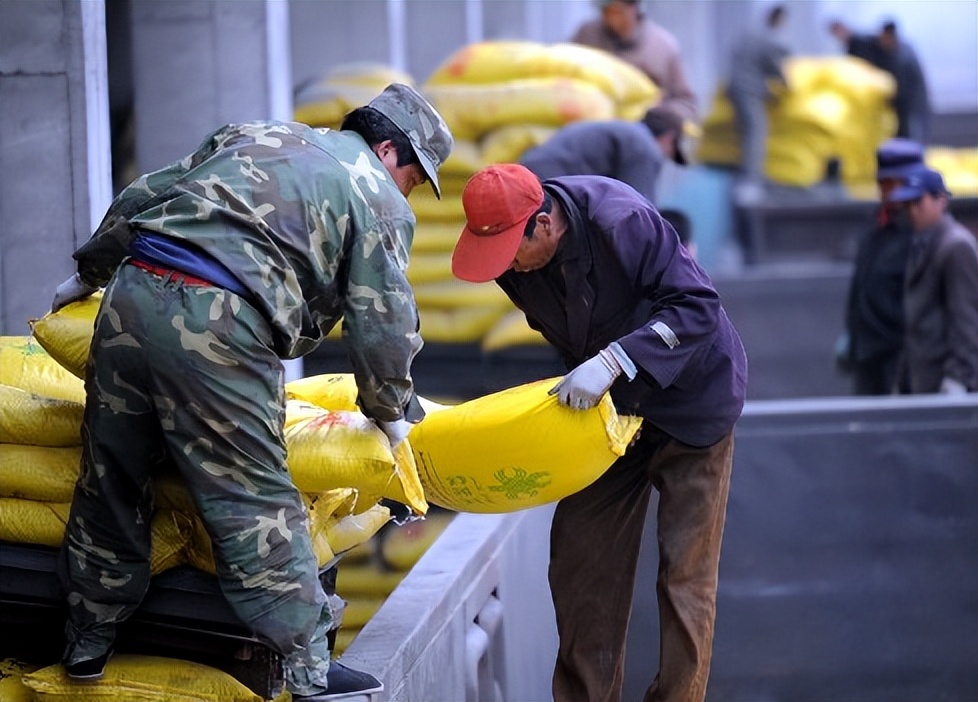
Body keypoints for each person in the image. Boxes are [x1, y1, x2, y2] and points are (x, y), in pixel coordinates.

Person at [48, 83, 454, 700]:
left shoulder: (257, 133)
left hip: (131, 297)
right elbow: (382, 322)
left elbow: (147, 194)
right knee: (253, 499)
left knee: (112, 477)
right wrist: (391, 409)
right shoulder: (377, 197)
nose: (412, 192)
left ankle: (87, 640)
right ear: (391, 150)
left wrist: (87, 271)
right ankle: (311, 672)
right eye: (416, 178)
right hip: (220, 324)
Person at [451, 163, 748, 702]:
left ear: (543, 225)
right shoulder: (511, 261)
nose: (506, 269)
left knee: (684, 576)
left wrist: (618, 358)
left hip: (692, 404)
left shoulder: (620, 221)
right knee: (580, 563)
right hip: (612, 416)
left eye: (511, 253)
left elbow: (697, 306)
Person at [837, 138, 924, 395]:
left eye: (893, 183)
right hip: (867, 354)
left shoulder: (921, 235)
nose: (886, 190)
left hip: (900, 356)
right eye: (882, 182)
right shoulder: (877, 229)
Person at [887, 166, 978, 394]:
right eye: (908, 204)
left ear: (941, 200)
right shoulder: (921, 244)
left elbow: (966, 318)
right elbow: (917, 321)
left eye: (919, 202)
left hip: (945, 383)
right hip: (922, 381)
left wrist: (959, 378)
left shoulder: (956, 246)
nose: (912, 211)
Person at [519, 105, 687, 203]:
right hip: (550, 186)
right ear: (668, 138)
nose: (664, 159)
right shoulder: (644, 147)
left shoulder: (622, 131)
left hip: (529, 175)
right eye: (669, 154)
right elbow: (640, 208)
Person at [571, 0, 698, 122]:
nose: (610, 17)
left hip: (644, 132)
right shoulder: (587, 35)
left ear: (633, 7)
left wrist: (656, 113)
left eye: (616, 11)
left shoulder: (662, 46)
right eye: (605, 10)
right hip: (593, 125)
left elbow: (686, 103)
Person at [725, 4, 791, 200]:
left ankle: (744, 178)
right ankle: (750, 183)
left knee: (745, 133)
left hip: (736, 88)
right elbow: (777, 68)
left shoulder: (749, 34)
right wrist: (788, 85)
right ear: (778, 20)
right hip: (748, 90)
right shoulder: (769, 39)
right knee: (756, 132)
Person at [829, 19, 931, 143]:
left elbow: (903, 89)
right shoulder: (872, 45)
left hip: (908, 105)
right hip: (896, 106)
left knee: (909, 136)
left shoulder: (902, 57)